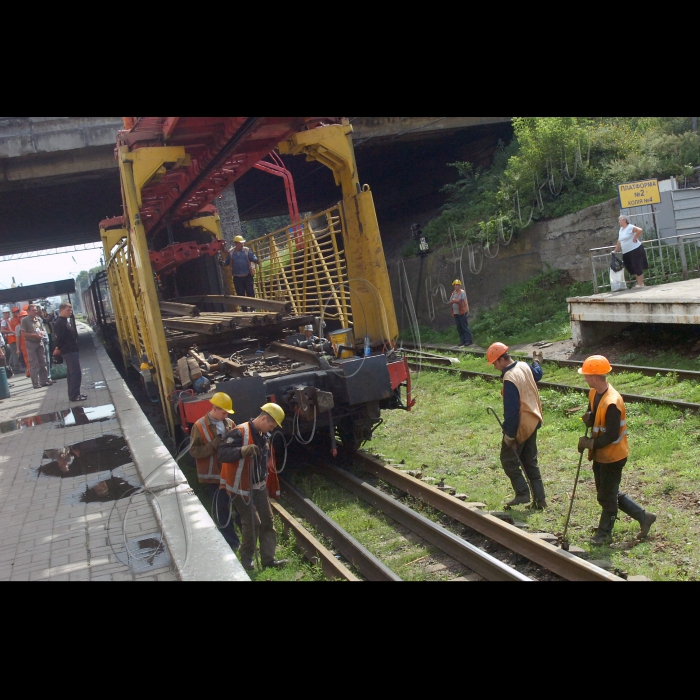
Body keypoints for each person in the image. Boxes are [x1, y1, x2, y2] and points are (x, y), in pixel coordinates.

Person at [577, 355, 657, 545]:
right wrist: (588, 417)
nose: (585, 378)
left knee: (607, 496)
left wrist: (590, 443)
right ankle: (644, 516)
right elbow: (594, 415)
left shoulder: (612, 402)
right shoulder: (594, 393)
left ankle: (604, 533)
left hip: (613, 455)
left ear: (595, 377)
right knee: (606, 492)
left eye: (587, 375)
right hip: (601, 454)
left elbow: (611, 435)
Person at [218, 403, 288, 572]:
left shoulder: (264, 434)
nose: (271, 429)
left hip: (259, 485)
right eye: (271, 425)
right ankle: (247, 557)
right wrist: (242, 451)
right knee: (252, 523)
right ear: (264, 418)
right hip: (240, 487)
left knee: (267, 521)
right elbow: (222, 454)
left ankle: (268, 559)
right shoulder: (239, 432)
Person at [487, 342, 547, 509]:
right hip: (534, 420)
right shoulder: (523, 365)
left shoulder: (509, 379)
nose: (494, 367)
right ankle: (540, 501)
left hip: (521, 425)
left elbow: (512, 412)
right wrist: (536, 361)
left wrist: (510, 435)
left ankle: (522, 493)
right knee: (529, 461)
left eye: (494, 363)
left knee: (508, 460)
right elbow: (538, 374)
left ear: (500, 360)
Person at [188, 393, 241, 551]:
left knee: (239, 506)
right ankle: (232, 542)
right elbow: (194, 451)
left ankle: (246, 540)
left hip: (230, 472)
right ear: (215, 409)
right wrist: (213, 445)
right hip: (214, 477)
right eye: (224, 412)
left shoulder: (230, 423)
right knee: (222, 509)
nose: (226, 416)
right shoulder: (199, 426)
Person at [53, 303, 87, 402]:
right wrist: (57, 348)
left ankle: (74, 394)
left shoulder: (64, 321)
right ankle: (74, 395)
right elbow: (60, 338)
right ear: (62, 310)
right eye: (68, 310)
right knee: (76, 373)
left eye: (71, 310)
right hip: (68, 351)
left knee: (72, 373)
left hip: (71, 350)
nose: (70, 312)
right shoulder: (59, 323)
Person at [221, 235, 259, 311]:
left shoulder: (247, 250)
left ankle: (252, 309)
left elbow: (252, 257)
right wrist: (222, 263)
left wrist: (256, 260)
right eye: (241, 243)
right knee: (240, 294)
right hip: (237, 278)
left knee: (250, 292)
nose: (242, 244)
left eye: (242, 243)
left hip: (247, 276)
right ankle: (244, 310)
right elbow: (227, 262)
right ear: (236, 243)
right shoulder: (231, 252)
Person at [21, 305, 53, 389]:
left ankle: (44, 380)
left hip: (39, 342)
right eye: (33, 310)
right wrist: (34, 335)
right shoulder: (25, 321)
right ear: (28, 311)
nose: (35, 312)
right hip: (31, 343)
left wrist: (41, 333)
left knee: (43, 362)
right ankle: (35, 383)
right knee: (34, 363)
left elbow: (42, 329)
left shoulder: (38, 319)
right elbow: (23, 333)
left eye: (35, 310)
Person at [615, 216, 648, 288]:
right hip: (627, 252)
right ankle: (639, 283)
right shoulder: (621, 229)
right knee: (630, 266)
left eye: (619, 220)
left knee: (637, 265)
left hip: (635, 249)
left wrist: (635, 238)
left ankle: (640, 283)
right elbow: (619, 240)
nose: (619, 222)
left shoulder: (630, 227)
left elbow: (639, 230)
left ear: (624, 220)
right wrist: (616, 250)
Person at [447, 280, 473, 348]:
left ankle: (469, 340)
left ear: (459, 285)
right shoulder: (453, 293)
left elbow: (460, 301)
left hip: (462, 312)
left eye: (457, 285)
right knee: (459, 327)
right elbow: (450, 301)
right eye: (455, 285)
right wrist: (454, 301)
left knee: (464, 326)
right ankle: (462, 340)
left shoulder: (462, 292)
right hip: (455, 313)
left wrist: (454, 300)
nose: (456, 286)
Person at [8, 307, 23, 371]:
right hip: (13, 339)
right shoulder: (13, 320)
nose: (17, 312)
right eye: (16, 311)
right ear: (13, 313)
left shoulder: (17, 318)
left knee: (13, 353)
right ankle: (16, 368)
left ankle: (10, 365)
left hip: (16, 338)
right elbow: (18, 326)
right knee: (15, 354)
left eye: (18, 311)